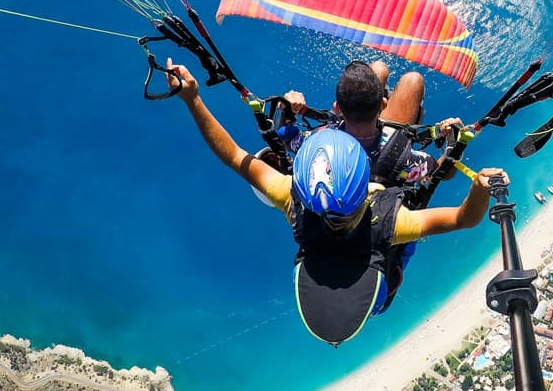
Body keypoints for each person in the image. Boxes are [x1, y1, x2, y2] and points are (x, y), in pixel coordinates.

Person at [166, 59, 507, 346]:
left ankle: (375, 88)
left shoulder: (295, 198)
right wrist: (474, 181)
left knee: (376, 70)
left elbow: (233, 155)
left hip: (349, 280)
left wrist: (192, 99)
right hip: (372, 286)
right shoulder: (391, 222)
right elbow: (463, 216)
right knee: (409, 80)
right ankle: (381, 92)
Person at [281, 59, 462, 191]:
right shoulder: (405, 160)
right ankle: (370, 99)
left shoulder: (318, 139)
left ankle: (363, 99)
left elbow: (286, 141)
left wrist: (287, 110)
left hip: (361, 148)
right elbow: (443, 173)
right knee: (413, 80)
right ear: (383, 104)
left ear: (337, 108)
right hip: (387, 153)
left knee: (378, 68)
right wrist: (454, 143)